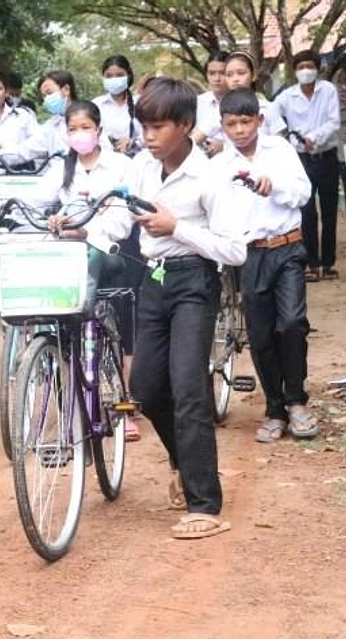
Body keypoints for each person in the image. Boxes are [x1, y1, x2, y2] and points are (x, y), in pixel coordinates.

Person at [124, 77, 245, 539]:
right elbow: (123, 215)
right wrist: (79, 228)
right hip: (151, 280)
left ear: (186, 125)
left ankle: (204, 505)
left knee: (189, 388)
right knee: (148, 389)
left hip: (195, 280)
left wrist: (176, 227)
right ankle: (182, 459)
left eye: (158, 127)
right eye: (145, 127)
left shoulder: (210, 176)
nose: (149, 137)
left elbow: (234, 250)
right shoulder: (140, 167)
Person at [212, 88, 318, 442]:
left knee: (290, 323)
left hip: (287, 247)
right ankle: (274, 408)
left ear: (259, 120)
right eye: (232, 123)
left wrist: (274, 187)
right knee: (260, 334)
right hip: (250, 255)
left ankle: (297, 400)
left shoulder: (280, 150)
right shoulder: (219, 167)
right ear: (222, 126)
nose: (240, 129)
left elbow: (303, 193)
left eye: (246, 121)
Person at [39, 100, 142, 440]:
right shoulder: (61, 168)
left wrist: (88, 231)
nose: (79, 135)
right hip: (70, 254)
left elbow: (124, 219)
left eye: (85, 128)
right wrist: (52, 220)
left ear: (98, 130)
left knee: (123, 333)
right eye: (72, 129)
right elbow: (38, 202)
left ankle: (127, 406)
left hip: (110, 251)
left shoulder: (120, 166)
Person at [273, 49, 341, 281]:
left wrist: (314, 137)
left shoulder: (328, 90)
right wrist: (290, 138)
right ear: (294, 71)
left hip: (327, 156)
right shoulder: (286, 97)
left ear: (317, 68)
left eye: (309, 66)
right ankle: (310, 263)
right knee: (307, 212)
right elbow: (272, 117)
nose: (305, 71)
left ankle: (327, 263)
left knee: (330, 212)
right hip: (301, 161)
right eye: (301, 67)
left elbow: (334, 121)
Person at [25, 70, 113, 160]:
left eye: (49, 93)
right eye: (44, 96)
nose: (46, 99)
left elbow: (107, 152)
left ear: (66, 89)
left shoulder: (89, 115)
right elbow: (25, 150)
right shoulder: (50, 127)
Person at [223, 51, 285, 136]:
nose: (235, 79)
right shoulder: (221, 109)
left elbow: (279, 142)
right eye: (229, 75)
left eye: (241, 73)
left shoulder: (267, 108)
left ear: (254, 75)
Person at [92, 55, 144, 156]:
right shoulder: (96, 105)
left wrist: (134, 142)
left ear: (128, 76)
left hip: (136, 163)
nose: (114, 79)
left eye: (120, 75)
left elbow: (151, 132)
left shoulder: (141, 103)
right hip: (105, 163)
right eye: (109, 76)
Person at [192, 51, 230, 155]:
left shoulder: (243, 102)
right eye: (212, 73)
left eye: (222, 73)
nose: (217, 79)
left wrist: (224, 147)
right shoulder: (197, 103)